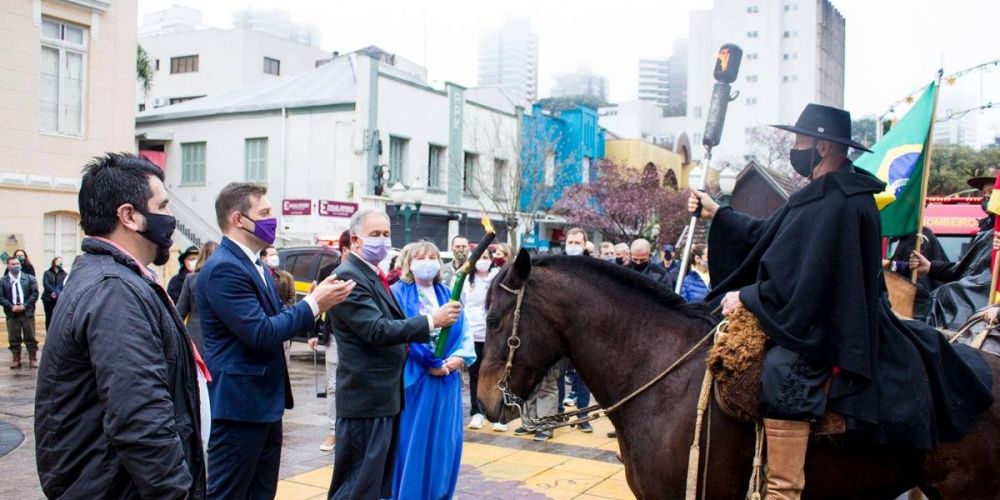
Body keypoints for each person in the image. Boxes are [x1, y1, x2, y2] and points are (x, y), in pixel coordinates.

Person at [690, 103, 994, 499]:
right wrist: (720, 214)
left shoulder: (843, 200)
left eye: (799, 139)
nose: (793, 147)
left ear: (820, 146)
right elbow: (770, 237)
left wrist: (749, 295)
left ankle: (783, 490)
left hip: (831, 322)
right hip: (811, 309)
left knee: (785, 374)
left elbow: (814, 282)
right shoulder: (818, 194)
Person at [34, 153, 207, 498]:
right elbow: (141, 419)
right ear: (129, 215)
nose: (170, 217)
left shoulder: (119, 280)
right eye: (163, 206)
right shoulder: (115, 289)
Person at [197, 183, 355, 499]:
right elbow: (261, 333)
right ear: (238, 219)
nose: (273, 220)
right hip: (239, 407)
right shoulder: (224, 268)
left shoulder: (254, 264)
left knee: (261, 491)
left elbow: (278, 315)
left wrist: (312, 299)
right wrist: (315, 305)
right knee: (228, 493)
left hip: (262, 405)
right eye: (265, 213)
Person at [326, 209, 460, 500]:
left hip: (384, 397)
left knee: (374, 484)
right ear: (356, 240)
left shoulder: (372, 274)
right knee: (357, 486)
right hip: (366, 400)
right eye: (375, 235)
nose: (383, 241)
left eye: (387, 234)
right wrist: (431, 321)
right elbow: (376, 330)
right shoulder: (349, 276)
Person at [389, 241, 474, 499]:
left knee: (442, 442)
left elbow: (466, 332)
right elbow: (400, 332)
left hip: (447, 381)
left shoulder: (449, 293)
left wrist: (456, 360)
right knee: (413, 440)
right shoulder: (396, 293)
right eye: (420, 257)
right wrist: (431, 362)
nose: (427, 261)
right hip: (414, 380)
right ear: (408, 263)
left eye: (432, 256)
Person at [909, 172, 997, 328]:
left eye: (991, 193)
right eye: (984, 194)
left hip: (989, 300)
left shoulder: (993, 234)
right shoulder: (986, 230)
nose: (987, 198)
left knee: (946, 294)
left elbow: (978, 276)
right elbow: (966, 268)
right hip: (980, 294)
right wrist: (930, 267)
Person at [311, 230, 353, 453]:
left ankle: (350, 430)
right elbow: (314, 302)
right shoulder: (328, 271)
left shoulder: (367, 272)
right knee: (333, 385)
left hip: (358, 338)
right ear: (345, 248)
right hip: (334, 336)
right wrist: (313, 333)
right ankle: (333, 431)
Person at [462, 249, 506, 432]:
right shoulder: (466, 280)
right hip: (473, 334)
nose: (482, 261)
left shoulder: (497, 278)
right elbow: (463, 304)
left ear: (491, 260)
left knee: (496, 374)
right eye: (479, 257)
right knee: (475, 374)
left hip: (494, 334)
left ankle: (498, 414)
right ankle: (477, 411)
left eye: (486, 258)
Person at [176, 241, 220, 357]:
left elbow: (180, 312)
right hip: (223, 340)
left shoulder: (191, 279)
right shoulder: (227, 279)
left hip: (196, 338)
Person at [1, 256, 39, 369]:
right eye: (13, 264)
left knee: (30, 336)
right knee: (13, 337)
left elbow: (35, 294)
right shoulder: (3, 281)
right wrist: (11, 306)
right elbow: (1, 296)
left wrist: (25, 305)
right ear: (8, 266)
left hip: (27, 312)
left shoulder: (30, 278)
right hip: (12, 313)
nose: (16, 266)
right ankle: (16, 359)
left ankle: (33, 359)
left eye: (17, 264)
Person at [40, 257, 67, 331]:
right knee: (49, 316)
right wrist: (53, 291)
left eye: (61, 261)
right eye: (58, 261)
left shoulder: (64, 274)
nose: (60, 263)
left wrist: (57, 293)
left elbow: (63, 284)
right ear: (54, 262)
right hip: (48, 298)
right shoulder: (47, 273)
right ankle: (48, 332)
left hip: (59, 298)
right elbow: (46, 284)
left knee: (58, 316)